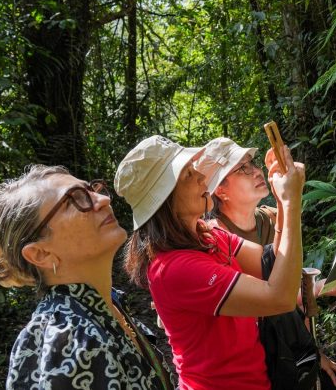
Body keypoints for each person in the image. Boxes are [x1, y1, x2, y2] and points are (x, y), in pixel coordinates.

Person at [115, 135, 306, 389]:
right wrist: (292, 201)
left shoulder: (205, 234)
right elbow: (280, 297)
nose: (201, 177)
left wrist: (282, 201)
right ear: (163, 199)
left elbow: (267, 264)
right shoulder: (173, 268)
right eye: (187, 175)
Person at [0, 164, 170, 389]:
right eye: (74, 200)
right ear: (41, 253)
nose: (102, 200)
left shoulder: (105, 308)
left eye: (91, 189)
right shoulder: (68, 338)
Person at [196, 137, 336, 389]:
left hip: (285, 342)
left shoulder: (269, 220)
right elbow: (268, 302)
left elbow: (287, 293)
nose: (257, 171)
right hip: (251, 355)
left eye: (253, 163)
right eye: (242, 168)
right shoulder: (215, 238)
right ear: (220, 190)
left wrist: (322, 289)